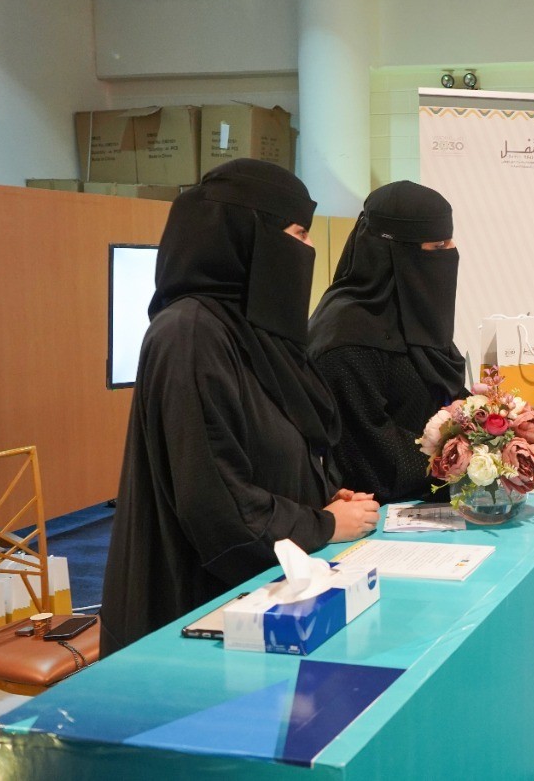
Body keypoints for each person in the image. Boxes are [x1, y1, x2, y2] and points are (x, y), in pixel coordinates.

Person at [101, 159, 379, 657]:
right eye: (298, 233)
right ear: (248, 238)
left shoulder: (252, 334)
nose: (308, 249)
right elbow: (217, 503)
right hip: (197, 621)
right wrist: (325, 525)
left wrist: (319, 497)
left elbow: (265, 448)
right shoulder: (189, 334)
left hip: (266, 600)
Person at [308, 181, 469, 503]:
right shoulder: (346, 340)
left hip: (438, 503)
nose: (450, 254)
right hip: (376, 518)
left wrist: (507, 432)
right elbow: (371, 462)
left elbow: (445, 400)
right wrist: (472, 458)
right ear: (395, 253)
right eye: (438, 246)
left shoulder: (415, 316)